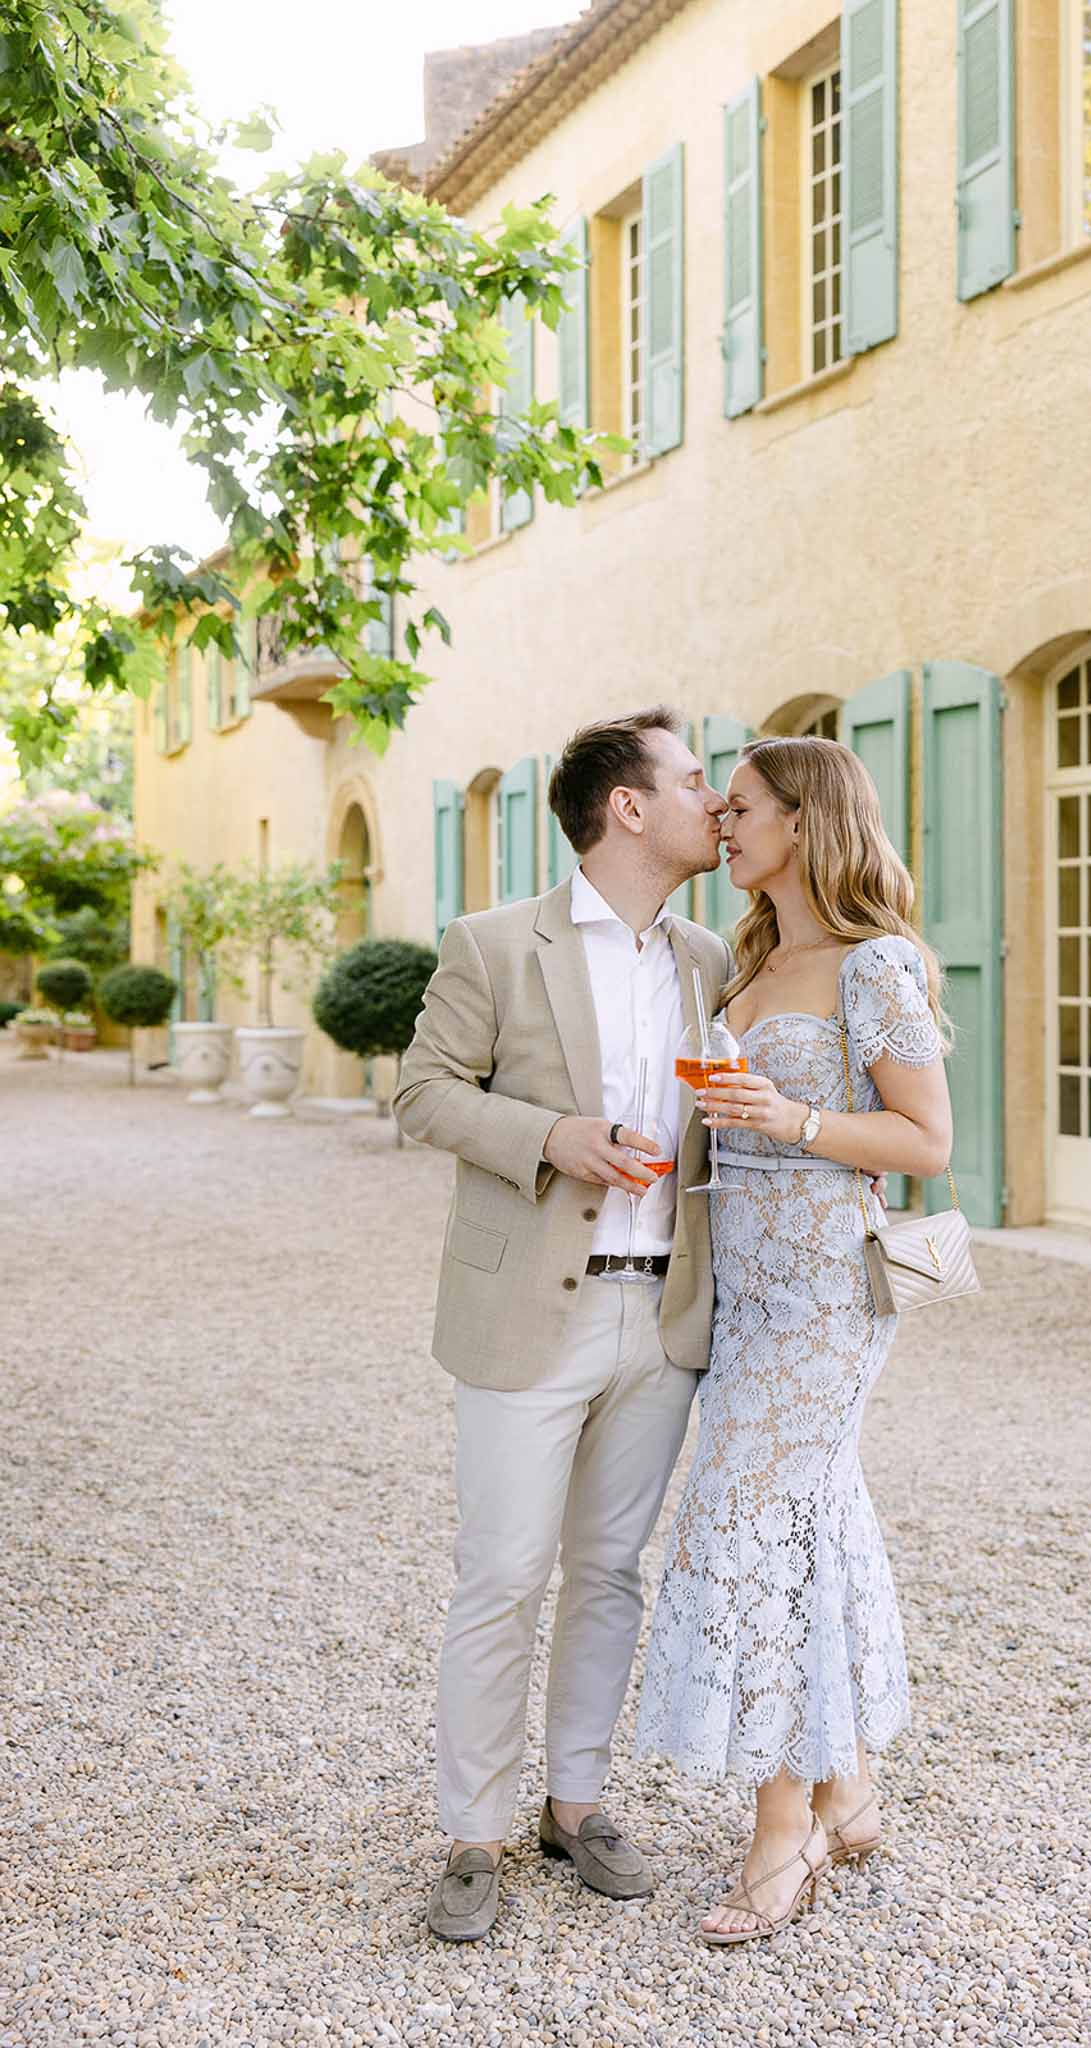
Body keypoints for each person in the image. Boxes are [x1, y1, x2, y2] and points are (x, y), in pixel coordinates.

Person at [393, 708, 731, 1943]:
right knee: (500, 1573)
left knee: (608, 1571)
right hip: (526, 1305)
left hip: (665, 1313)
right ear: (628, 807)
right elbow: (422, 1093)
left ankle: (574, 1801)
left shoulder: (710, 955)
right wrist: (550, 1135)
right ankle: (471, 1830)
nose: (719, 798)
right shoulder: (492, 943)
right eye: (696, 780)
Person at [634, 734, 954, 1945]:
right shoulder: (753, 956)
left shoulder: (873, 965)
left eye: (745, 807)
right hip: (740, 1293)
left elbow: (926, 1143)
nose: (722, 822)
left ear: (807, 821)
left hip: (824, 1297)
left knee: (748, 1518)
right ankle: (848, 1785)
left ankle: (785, 1829)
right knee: (814, 1521)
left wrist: (796, 1114)